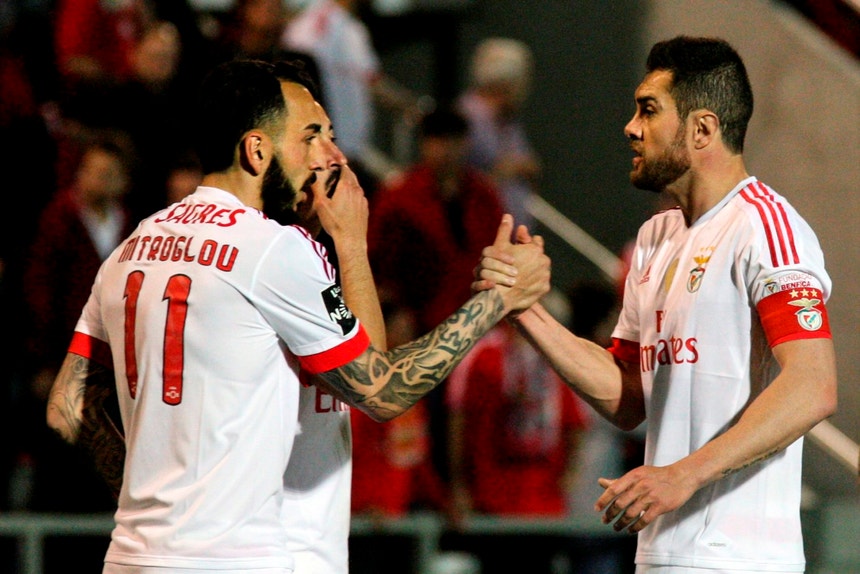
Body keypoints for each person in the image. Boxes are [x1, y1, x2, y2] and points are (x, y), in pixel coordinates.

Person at [45, 58, 549, 573]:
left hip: (135, 555)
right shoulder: (273, 251)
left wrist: (152, 502)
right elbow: (382, 389)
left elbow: (67, 404)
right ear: (257, 150)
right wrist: (498, 298)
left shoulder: (137, 242)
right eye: (311, 137)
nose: (332, 156)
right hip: (243, 560)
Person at [475, 35, 837, 573]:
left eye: (648, 110)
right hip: (660, 555)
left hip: (742, 558)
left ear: (702, 130)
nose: (630, 126)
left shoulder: (766, 227)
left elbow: (812, 386)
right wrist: (523, 311)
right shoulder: (653, 239)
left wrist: (681, 475)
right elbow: (628, 397)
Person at [367, 104, 505, 487]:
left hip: (474, 332)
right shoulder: (400, 197)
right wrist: (394, 317)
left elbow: (500, 253)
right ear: (425, 145)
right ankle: (424, 494)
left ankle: (474, 493)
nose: (446, 150)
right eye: (437, 142)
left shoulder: (482, 195)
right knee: (422, 422)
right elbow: (373, 266)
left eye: (453, 141)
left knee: (477, 422)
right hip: (420, 331)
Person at [457, 37, 542, 231]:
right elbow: (457, 180)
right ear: (506, 82)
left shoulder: (508, 119)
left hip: (512, 233)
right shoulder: (468, 116)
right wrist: (506, 170)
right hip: (480, 232)